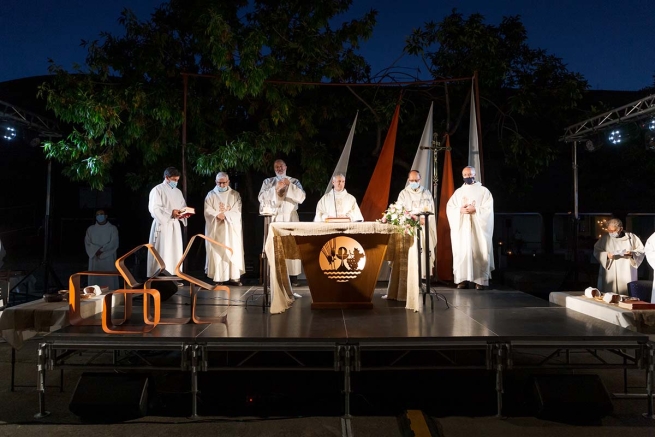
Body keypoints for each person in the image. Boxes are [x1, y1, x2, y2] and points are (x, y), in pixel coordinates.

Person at [258, 159, 306, 290]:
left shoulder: (294, 181)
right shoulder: (268, 182)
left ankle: (293, 277)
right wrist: (275, 189)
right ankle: (273, 275)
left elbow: (302, 197)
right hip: (275, 217)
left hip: (290, 216)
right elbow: (261, 197)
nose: (279, 168)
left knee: (291, 245)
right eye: (276, 167)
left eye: (281, 166)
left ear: (286, 167)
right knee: (275, 246)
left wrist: (289, 186)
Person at [446, 166, 494, 290]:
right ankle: (462, 279)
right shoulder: (459, 192)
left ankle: (480, 280)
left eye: (470, 174)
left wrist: (476, 209)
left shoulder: (484, 191)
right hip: (462, 229)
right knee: (463, 252)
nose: (468, 177)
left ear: (475, 174)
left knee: (479, 251)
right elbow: (450, 207)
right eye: (465, 175)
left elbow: (488, 209)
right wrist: (459, 210)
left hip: (478, 229)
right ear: (463, 176)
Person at [204, 172, 245, 286]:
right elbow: (207, 210)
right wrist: (217, 214)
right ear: (216, 182)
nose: (221, 185)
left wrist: (226, 215)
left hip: (231, 228)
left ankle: (234, 277)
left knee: (232, 249)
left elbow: (237, 210)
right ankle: (219, 277)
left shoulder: (235, 195)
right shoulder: (211, 195)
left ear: (228, 182)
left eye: (224, 183)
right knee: (218, 251)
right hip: (217, 228)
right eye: (219, 183)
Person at [147, 167, 188, 278]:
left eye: (177, 180)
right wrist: (171, 212)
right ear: (167, 177)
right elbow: (154, 208)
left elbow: (182, 206)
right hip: (163, 224)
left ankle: (174, 275)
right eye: (174, 180)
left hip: (175, 224)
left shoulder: (178, 192)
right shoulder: (158, 190)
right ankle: (159, 275)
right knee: (163, 250)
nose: (176, 182)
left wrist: (184, 213)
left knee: (175, 251)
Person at [395, 170, 436, 278]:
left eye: (416, 180)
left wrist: (424, 219)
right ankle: (410, 275)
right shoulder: (404, 193)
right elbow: (399, 210)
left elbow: (431, 210)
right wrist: (411, 219)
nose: (414, 182)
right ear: (408, 180)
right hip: (409, 227)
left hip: (423, 227)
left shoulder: (426, 192)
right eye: (412, 180)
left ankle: (423, 275)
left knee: (424, 250)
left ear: (420, 180)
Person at [593, 218, 644, 295]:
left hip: (627, 270)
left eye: (613, 231)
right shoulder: (605, 238)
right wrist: (606, 255)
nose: (611, 233)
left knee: (626, 294)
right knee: (610, 293)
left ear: (620, 229)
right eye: (609, 231)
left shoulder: (631, 238)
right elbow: (597, 250)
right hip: (611, 271)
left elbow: (641, 251)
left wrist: (632, 254)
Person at [84, 209, 120, 289]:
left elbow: (114, 243)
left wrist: (101, 250)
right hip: (95, 258)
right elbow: (87, 242)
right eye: (97, 214)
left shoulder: (112, 228)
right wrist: (95, 251)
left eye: (101, 214)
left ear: (106, 216)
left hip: (108, 258)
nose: (99, 216)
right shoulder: (91, 229)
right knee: (95, 280)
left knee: (108, 278)